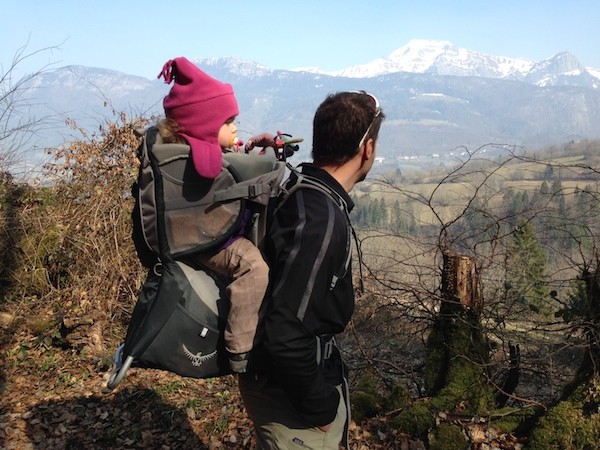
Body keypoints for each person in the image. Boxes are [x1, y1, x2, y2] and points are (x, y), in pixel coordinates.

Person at [240, 91, 385, 449]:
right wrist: (320, 408)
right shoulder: (320, 218)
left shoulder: (301, 189)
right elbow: (286, 333)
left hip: (275, 385)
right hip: (292, 401)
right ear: (367, 149)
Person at [156, 57, 269, 373]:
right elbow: (221, 172)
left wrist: (240, 149)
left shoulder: (184, 152)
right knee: (254, 268)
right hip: (210, 240)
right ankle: (241, 350)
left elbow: (226, 166)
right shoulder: (203, 158)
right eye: (229, 121)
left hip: (195, 233)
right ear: (206, 124)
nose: (235, 128)